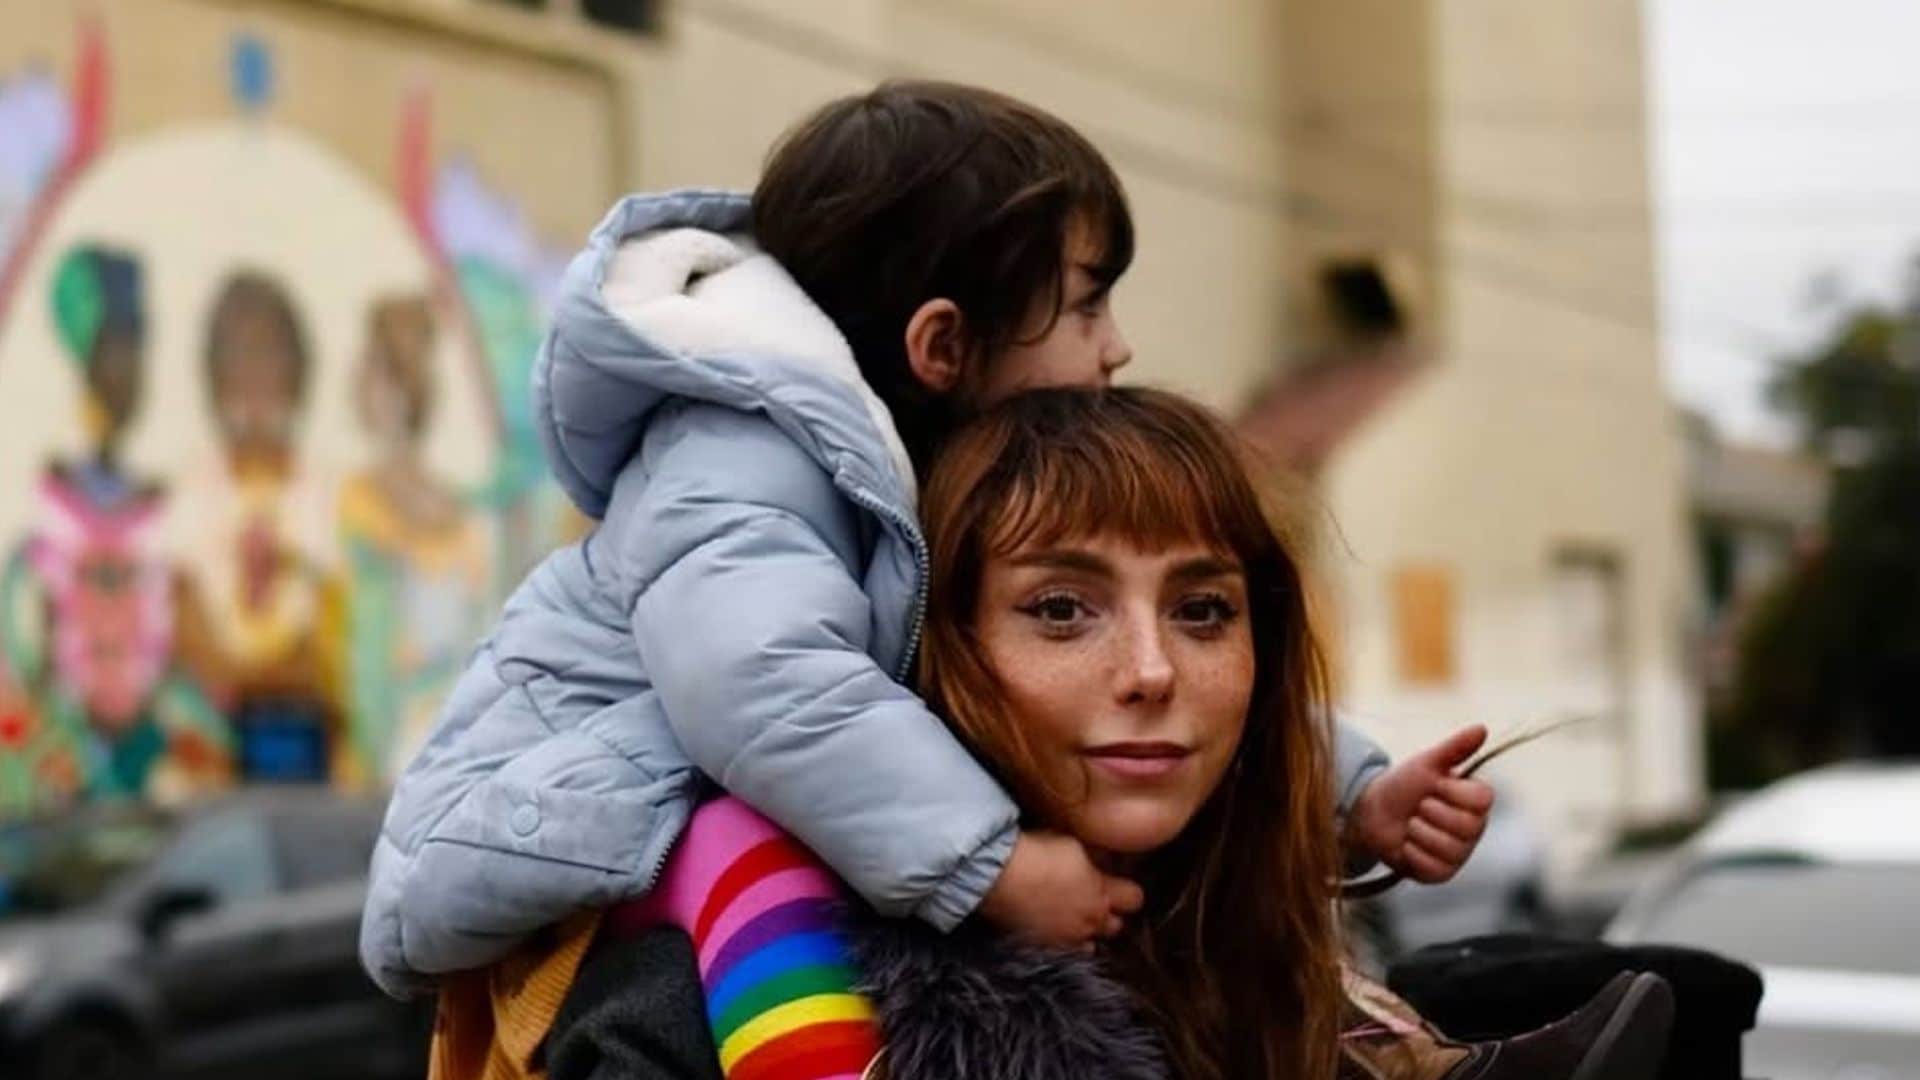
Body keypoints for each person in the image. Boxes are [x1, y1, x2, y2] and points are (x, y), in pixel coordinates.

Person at [363, 80, 1494, 1002]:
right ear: (942, 346)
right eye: (1087, 305)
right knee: (748, 853)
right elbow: (764, 682)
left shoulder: (917, 484)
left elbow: (1115, 694)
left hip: (673, 792)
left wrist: (1350, 790)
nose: (1118, 346)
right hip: (542, 832)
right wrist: (991, 864)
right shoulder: (740, 453)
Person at [436, 388, 1674, 1080]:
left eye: (1203, 610)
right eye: (1062, 610)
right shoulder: (693, 1001)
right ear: (940, 647)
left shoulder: (1274, 960)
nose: (1152, 671)